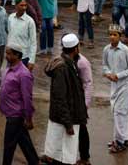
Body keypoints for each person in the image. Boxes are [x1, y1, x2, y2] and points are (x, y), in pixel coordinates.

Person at [43, 34, 87, 165]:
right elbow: (60, 98)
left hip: (68, 118)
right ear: (75, 48)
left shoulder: (70, 63)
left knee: (62, 154)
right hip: (64, 120)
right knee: (61, 155)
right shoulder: (62, 68)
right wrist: (68, 124)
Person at [0, 43, 38, 165]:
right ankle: (34, 161)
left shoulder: (24, 74)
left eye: (9, 54)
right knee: (24, 141)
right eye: (6, 53)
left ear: (17, 55)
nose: (6, 56)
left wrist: (29, 118)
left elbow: (27, 98)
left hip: (15, 116)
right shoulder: (9, 68)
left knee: (9, 146)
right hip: (10, 114)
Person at [102, 24, 128, 154]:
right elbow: (104, 65)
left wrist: (118, 75)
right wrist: (109, 73)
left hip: (126, 84)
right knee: (117, 111)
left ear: (120, 36)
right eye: (110, 34)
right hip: (114, 84)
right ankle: (122, 138)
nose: (112, 37)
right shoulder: (106, 49)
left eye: (115, 34)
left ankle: (120, 142)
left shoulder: (126, 50)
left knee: (120, 112)